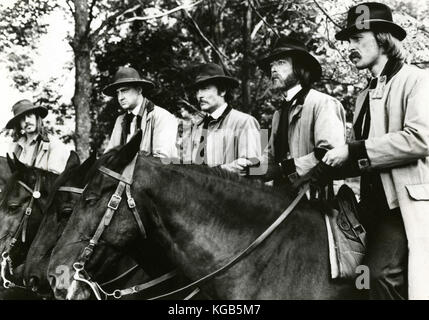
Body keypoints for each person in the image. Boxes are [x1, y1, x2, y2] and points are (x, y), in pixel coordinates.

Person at [323, 1, 429, 300]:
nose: (350, 47)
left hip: (403, 207)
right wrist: (319, 168)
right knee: (357, 278)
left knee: (379, 275)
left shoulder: (417, 80)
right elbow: (357, 156)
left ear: (382, 38)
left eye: (357, 39)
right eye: (348, 41)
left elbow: (421, 138)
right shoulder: (362, 96)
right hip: (368, 207)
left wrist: (354, 149)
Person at [257, 36, 346, 193]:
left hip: (318, 200)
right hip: (282, 200)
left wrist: (284, 169)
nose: (273, 69)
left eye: (281, 62)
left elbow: (329, 154)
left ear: (300, 68)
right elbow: (269, 159)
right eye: (272, 65)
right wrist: (240, 170)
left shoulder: (323, 103)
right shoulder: (279, 113)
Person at [185, 63, 261, 175]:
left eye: (205, 89)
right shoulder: (196, 127)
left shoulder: (244, 122)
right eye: (197, 90)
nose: (199, 95)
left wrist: (215, 172)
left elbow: (252, 167)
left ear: (222, 91)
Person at [103, 66, 178, 160]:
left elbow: (161, 163)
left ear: (139, 90)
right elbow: (110, 156)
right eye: (118, 93)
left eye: (124, 90)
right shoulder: (121, 120)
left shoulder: (162, 117)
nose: (120, 97)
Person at [5, 99, 71, 174]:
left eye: (29, 115)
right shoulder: (14, 147)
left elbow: (55, 180)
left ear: (37, 117)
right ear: (18, 124)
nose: (26, 121)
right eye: (22, 118)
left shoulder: (53, 144)